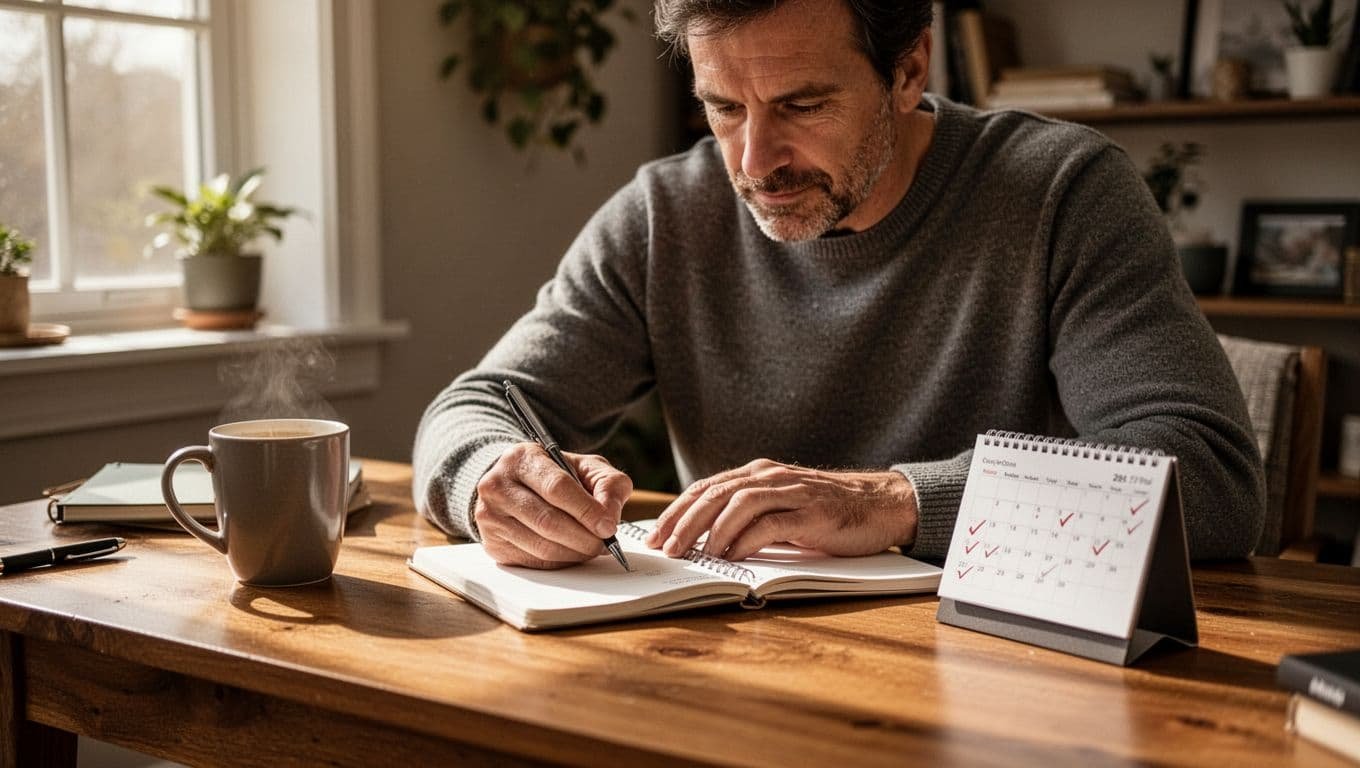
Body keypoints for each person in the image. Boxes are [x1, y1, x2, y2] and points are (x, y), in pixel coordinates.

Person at [413, 0, 1265, 569]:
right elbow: (476, 404)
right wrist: (492, 474)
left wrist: (894, 501)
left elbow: (1214, 480)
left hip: (1004, 685)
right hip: (736, 678)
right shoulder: (665, 213)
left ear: (907, 71)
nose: (753, 164)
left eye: (801, 105)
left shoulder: (1060, 192)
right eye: (725, 108)